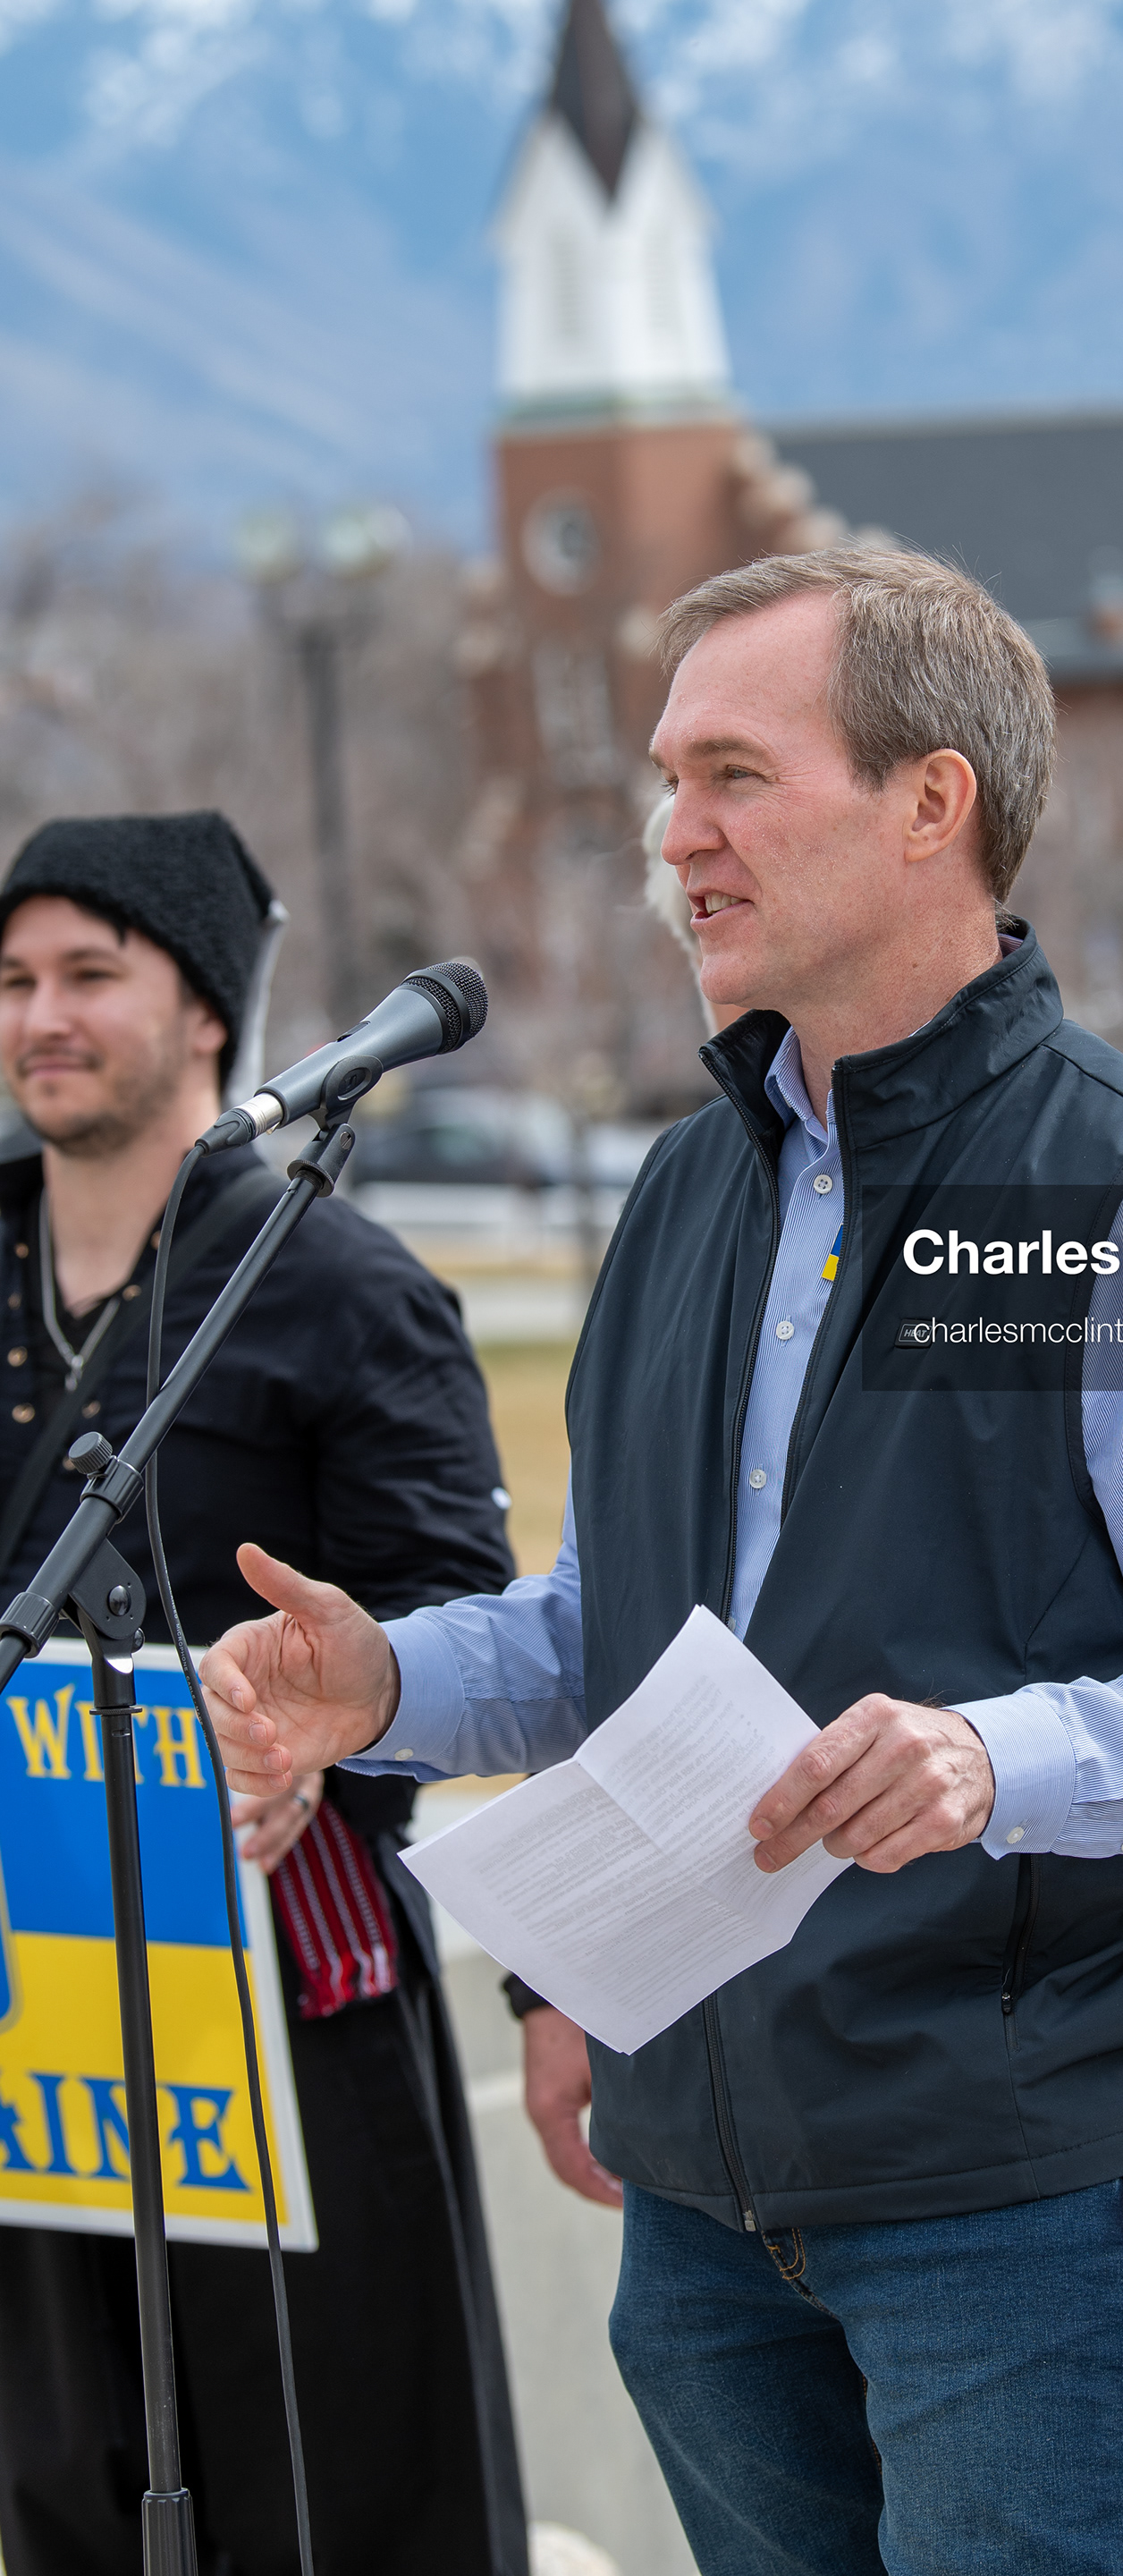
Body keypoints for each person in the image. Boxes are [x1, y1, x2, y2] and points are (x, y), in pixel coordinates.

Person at [205, 548, 1123, 2576]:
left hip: (1015, 2179)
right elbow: (612, 1635)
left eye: (736, 775)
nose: (676, 839)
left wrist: (990, 1762)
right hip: (703, 2195)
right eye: (670, 783)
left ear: (930, 808)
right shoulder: (684, 1195)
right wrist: (380, 1682)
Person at [0, 813, 530, 2576]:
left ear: (210, 1013)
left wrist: (325, 1757)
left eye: (90, 974)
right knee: (64, 2480)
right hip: (30, 1995)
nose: (40, 1017)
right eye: (13, 980)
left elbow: (459, 1622)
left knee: (330, 2498)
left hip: (284, 1989)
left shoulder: (340, 1290)